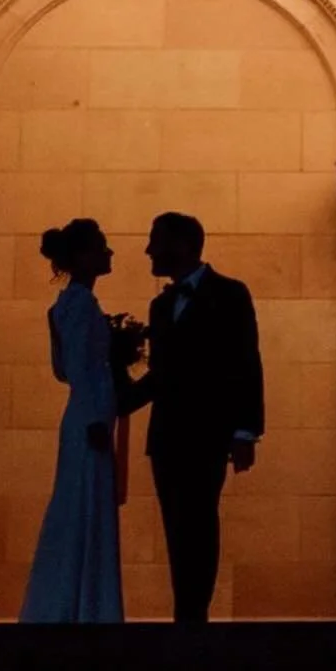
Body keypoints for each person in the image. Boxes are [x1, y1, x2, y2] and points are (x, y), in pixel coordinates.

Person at [122, 211, 264, 623]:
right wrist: (119, 395)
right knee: (176, 525)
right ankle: (186, 610)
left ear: (181, 245)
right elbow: (162, 374)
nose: (149, 250)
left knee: (200, 521)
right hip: (167, 434)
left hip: (209, 432)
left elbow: (246, 361)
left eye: (155, 240)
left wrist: (245, 431)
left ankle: (193, 614)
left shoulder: (231, 293)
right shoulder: (160, 305)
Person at [18, 218, 123, 623]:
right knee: (83, 506)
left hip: (87, 413)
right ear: (82, 257)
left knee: (78, 503)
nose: (109, 253)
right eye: (102, 246)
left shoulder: (68, 305)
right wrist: (100, 408)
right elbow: (75, 368)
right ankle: (81, 607)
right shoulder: (80, 304)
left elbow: (63, 369)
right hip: (89, 417)